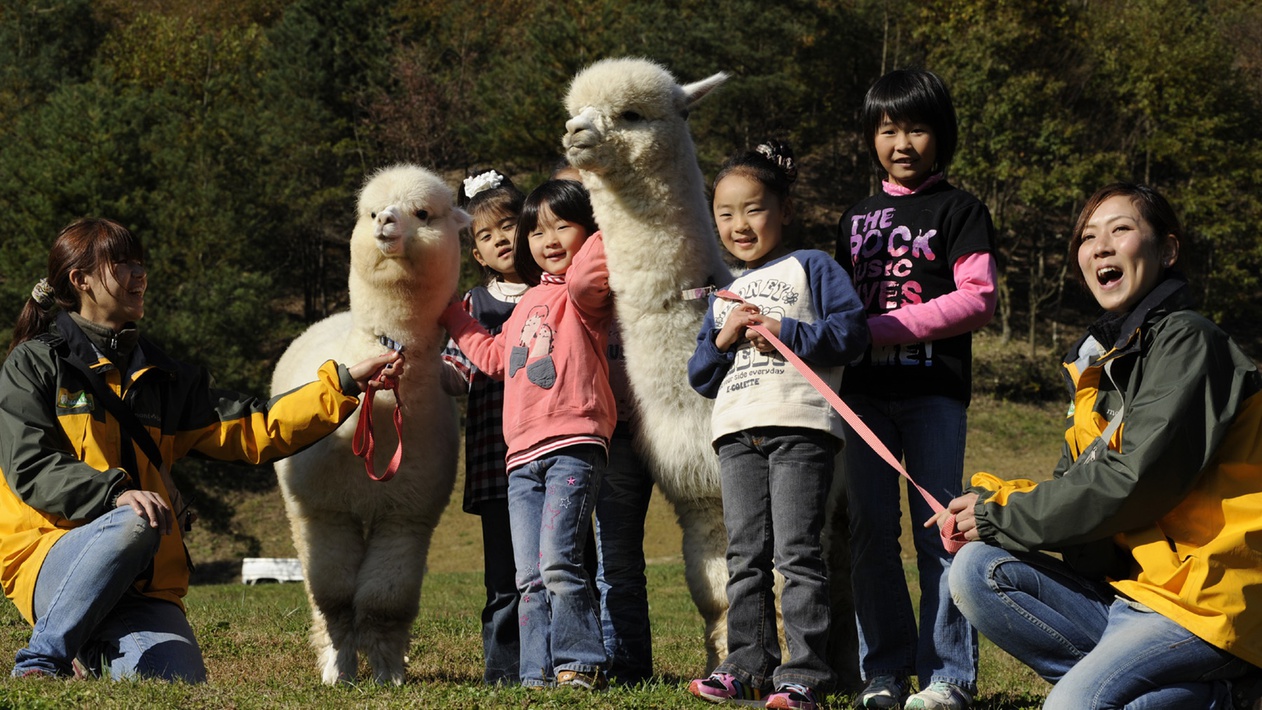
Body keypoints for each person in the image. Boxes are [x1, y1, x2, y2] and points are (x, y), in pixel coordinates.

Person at [0, 218, 400, 681]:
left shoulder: (163, 377)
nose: (138, 275)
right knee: (135, 520)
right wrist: (116, 494)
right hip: (53, 561)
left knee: (177, 682)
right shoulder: (33, 364)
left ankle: (85, 651)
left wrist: (347, 382)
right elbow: (31, 467)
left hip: (143, 588)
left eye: (140, 264)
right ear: (80, 279)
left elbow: (257, 426)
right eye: (122, 264)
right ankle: (42, 659)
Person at [934, 183, 1262, 709]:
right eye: (1088, 236)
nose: (1100, 247)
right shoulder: (1099, 369)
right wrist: (990, 504)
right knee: (976, 570)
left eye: (1121, 229)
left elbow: (1136, 481)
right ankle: (1205, 694)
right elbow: (1078, 490)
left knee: (1072, 706)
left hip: (1207, 602)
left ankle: (1212, 692)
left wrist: (1003, 514)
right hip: (1132, 593)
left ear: (1168, 251)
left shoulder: (1190, 342)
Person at [686, 140, 869, 710]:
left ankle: (805, 675)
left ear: (784, 210)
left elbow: (853, 334)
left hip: (800, 429)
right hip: (736, 433)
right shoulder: (722, 291)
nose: (740, 224)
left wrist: (785, 330)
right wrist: (724, 335)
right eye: (725, 213)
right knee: (745, 555)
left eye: (754, 208)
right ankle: (745, 665)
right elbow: (700, 374)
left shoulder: (812, 266)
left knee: (798, 554)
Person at [834, 68, 996, 710]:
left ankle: (949, 676)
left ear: (942, 136)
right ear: (872, 137)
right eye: (888, 129)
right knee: (871, 532)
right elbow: (833, 307)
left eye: (917, 128)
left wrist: (876, 329)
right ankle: (884, 673)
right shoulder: (852, 219)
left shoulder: (961, 209)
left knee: (941, 529)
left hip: (934, 394)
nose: (902, 142)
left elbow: (976, 299)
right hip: (862, 399)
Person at [439, 179, 614, 690]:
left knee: (561, 562)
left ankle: (578, 664)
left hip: (572, 445)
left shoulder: (584, 296)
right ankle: (534, 673)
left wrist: (606, 210)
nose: (550, 239)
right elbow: (493, 358)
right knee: (527, 578)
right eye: (537, 231)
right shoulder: (523, 306)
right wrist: (451, 311)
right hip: (520, 460)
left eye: (564, 227)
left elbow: (587, 274)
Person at [550, 160, 656, 685]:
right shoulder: (571, 283)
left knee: (618, 558)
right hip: (603, 433)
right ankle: (612, 660)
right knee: (604, 559)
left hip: (657, 422)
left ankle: (629, 660)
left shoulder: (642, 249)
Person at [440, 168, 528, 685]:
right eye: (486, 235)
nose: (500, 240)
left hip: (556, 455)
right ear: (476, 253)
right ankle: (504, 671)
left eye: (509, 225)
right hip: (498, 459)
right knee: (504, 578)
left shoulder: (557, 292)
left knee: (566, 567)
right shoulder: (475, 305)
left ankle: (566, 662)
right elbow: (456, 374)